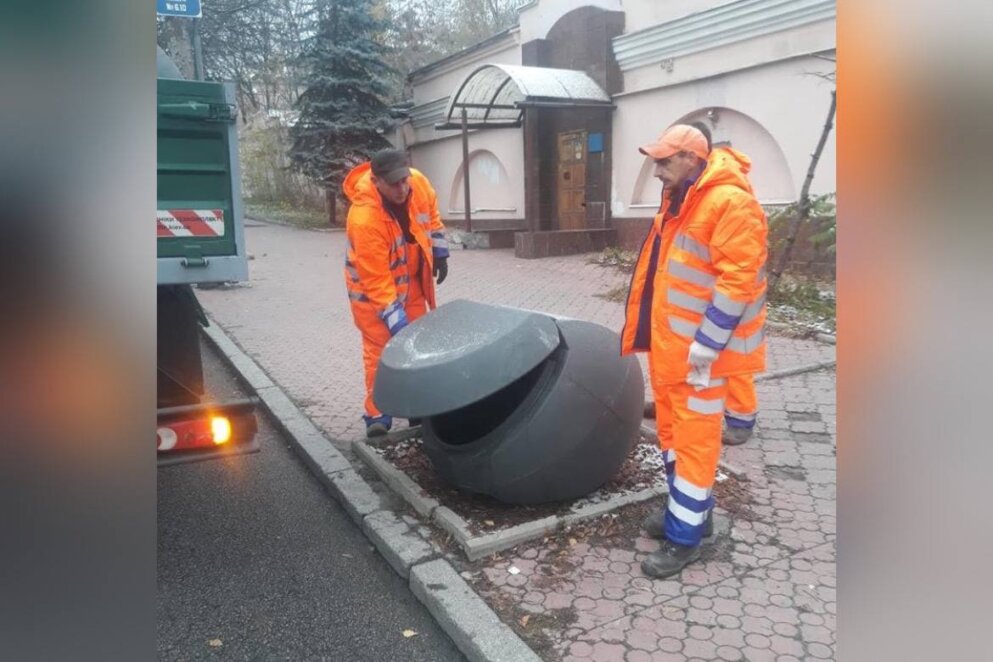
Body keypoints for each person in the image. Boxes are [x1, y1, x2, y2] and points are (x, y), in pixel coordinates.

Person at [620, 124, 767, 578]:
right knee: (672, 436)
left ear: (691, 158)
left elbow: (737, 280)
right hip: (673, 350)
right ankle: (688, 515)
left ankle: (685, 539)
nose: (657, 170)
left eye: (665, 161)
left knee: (695, 445)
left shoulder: (729, 202)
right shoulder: (683, 197)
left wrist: (706, 345)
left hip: (705, 357)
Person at [342, 149, 450, 437]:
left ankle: (415, 407)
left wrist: (440, 251)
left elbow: (432, 214)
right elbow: (376, 280)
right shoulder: (364, 218)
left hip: (411, 283)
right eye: (393, 184)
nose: (402, 188)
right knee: (380, 352)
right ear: (376, 181)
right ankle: (378, 414)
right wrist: (395, 320)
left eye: (404, 180)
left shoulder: (418, 182)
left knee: (416, 346)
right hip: (371, 295)